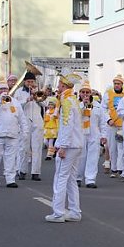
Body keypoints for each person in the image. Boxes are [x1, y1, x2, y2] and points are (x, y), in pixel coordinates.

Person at [45, 74, 84, 223]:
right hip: (77, 144)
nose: (58, 86)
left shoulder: (67, 101)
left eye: (60, 84)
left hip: (69, 145)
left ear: (64, 86)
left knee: (60, 178)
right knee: (71, 179)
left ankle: (58, 213)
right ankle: (74, 211)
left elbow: (67, 125)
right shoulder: (72, 100)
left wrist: (62, 145)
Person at [0, 80, 26, 188]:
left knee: (11, 159)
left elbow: (21, 118)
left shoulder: (15, 102)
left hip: (12, 135)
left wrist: (25, 131)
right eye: (1, 89)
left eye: (5, 89)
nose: (4, 91)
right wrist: (0, 100)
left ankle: (10, 180)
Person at [77, 79, 108, 188]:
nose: (85, 94)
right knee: (80, 157)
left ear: (91, 93)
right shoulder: (76, 105)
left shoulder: (97, 106)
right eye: (83, 92)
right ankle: (77, 177)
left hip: (94, 134)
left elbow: (103, 122)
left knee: (93, 157)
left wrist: (104, 136)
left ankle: (90, 179)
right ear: (80, 93)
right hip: (81, 134)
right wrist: (82, 105)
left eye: (87, 92)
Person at [16, 72, 45, 182]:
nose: (30, 84)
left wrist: (37, 95)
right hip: (25, 121)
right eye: (28, 82)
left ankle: (36, 172)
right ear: (24, 81)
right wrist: (26, 100)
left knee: (37, 147)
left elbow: (46, 104)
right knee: (24, 147)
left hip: (37, 121)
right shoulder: (19, 92)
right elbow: (17, 105)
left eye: (32, 82)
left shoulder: (39, 91)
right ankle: (22, 170)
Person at [102, 75, 124, 174]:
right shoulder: (108, 94)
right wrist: (108, 120)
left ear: (122, 85)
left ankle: (120, 168)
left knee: (121, 146)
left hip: (122, 124)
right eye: (115, 84)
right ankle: (114, 167)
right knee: (112, 146)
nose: (116, 85)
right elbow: (103, 109)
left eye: (118, 84)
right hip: (111, 124)